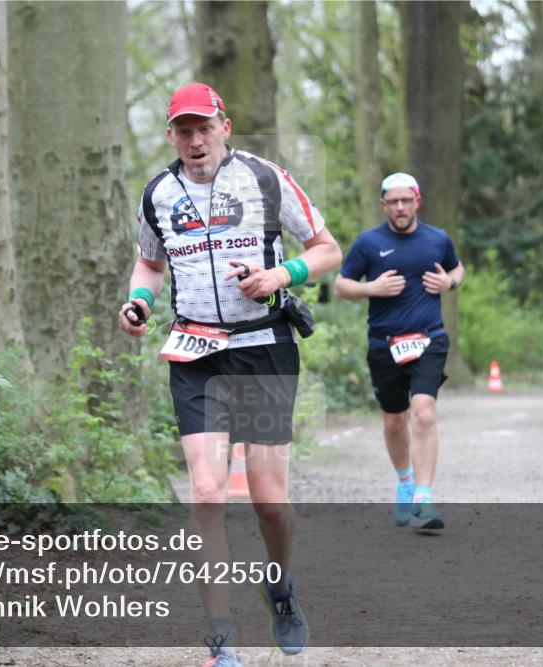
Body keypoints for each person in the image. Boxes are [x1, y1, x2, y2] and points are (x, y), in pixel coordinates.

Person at [119, 83, 342, 667]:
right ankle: (221, 640)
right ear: (171, 135)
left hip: (264, 348)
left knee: (270, 501)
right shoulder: (158, 194)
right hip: (196, 353)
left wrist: (280, 275)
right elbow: (149, 262)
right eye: (183, 130)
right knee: (208, 492)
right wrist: (139, 303)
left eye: (204, 127)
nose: (195, 140)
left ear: (225, 125)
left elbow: (326, 249)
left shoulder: (266, 178)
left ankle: (280, 585)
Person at [334, 172, 465, 531]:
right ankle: (406, 481)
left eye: (406, 200)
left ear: (417, 201)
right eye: (393, 201)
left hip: (429, 339)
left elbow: (457, 267)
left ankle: (424, 497)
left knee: (423, 414)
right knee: (395, 419)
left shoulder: (438, 239)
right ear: (384, 205)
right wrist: (372, 288)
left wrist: (449, 282)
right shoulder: (368, 243)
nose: (400, 207)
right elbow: (342, 286)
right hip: (384, 345)